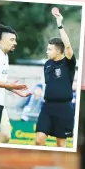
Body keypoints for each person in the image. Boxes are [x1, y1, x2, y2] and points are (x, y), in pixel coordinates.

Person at [36, 10, 76, 147]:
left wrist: (59, 25)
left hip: (64, 108)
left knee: (61, 145)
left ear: (58, 51)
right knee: (39, 140)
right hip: (47, 107)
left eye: (49, 49)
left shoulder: (68, 63)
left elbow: (68, 47)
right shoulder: (47, 64)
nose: (47, 52)